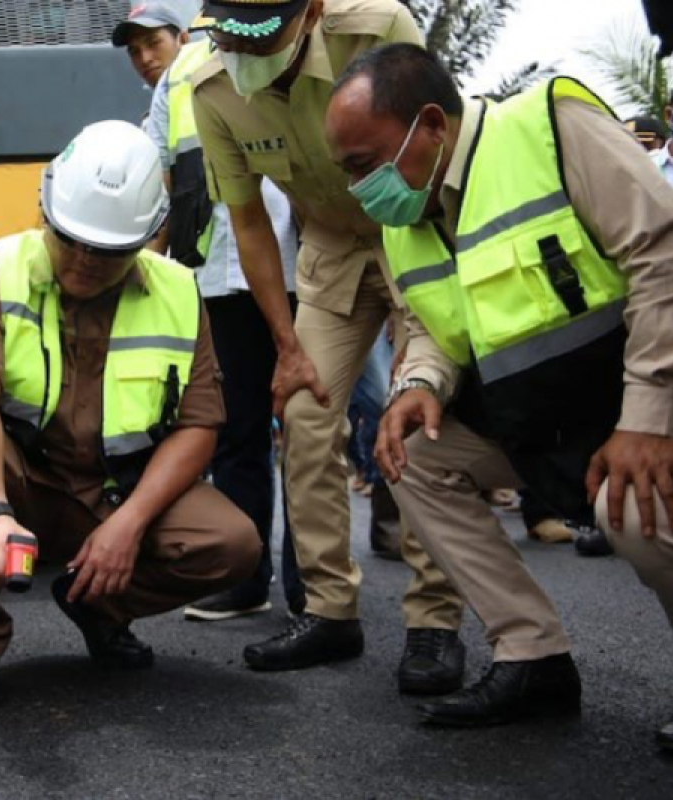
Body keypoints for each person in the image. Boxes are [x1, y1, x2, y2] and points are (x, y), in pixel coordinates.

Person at [325, 44, 673, 736]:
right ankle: (533, 654)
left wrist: (650, 416)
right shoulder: (408, 216)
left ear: (430, 125)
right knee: (413, 454)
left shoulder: (549, 127)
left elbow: (661, 254)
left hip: (635, 411)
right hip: (539, 423)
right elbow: (430, 324)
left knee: (631, 510)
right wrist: (420, 383)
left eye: (364, 165)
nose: (359, 189)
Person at [0, 120, 261, 717]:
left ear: (149, 238)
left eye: (105, 251)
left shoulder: (180, 293)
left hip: (115, 490)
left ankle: (98, 604)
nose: (82, 260)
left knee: (231, 543)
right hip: (22, 481)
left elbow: (198, 425)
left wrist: (129, 523)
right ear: (45, 210)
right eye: (69, 238)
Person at [190, 0, 465, 694]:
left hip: (417, 234)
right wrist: (286, 344)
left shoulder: (377, 29)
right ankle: (329, 609)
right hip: (331, 251)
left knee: (421, 420)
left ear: (310, 12)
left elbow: (444, 141)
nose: (241, 51)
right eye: (227, 35)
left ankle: (435, 621)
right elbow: (249, 221)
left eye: (261, 35)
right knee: (306, 417)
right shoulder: (212, 88)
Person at [131, 12, 303, 620]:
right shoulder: (173, 85)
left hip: (290, 263)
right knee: (237, 432)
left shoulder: (276, 41)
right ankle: (248, 579)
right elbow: (154, 176)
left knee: (304, 426)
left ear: (182, 31)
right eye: (133, 48)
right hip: (213, 276)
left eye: (151, 40)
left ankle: (315, 588)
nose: (142, 56)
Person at [111, 1, 190, 90]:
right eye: (134, 51)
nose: (145, 59)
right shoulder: (160, 99)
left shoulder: (206, 91)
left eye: (153, 43)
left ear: (183, 41)